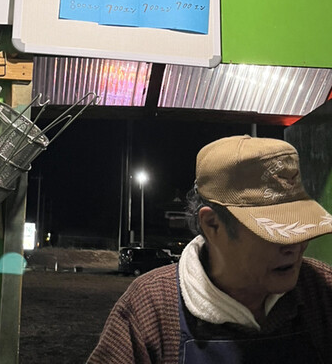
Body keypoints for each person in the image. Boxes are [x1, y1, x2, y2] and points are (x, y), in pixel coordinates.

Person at [87, 135, 332, 363]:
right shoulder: (150, 308)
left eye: (300, 225)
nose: (295, 245)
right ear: (213, 225)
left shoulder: (322, 290)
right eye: (274, 231)